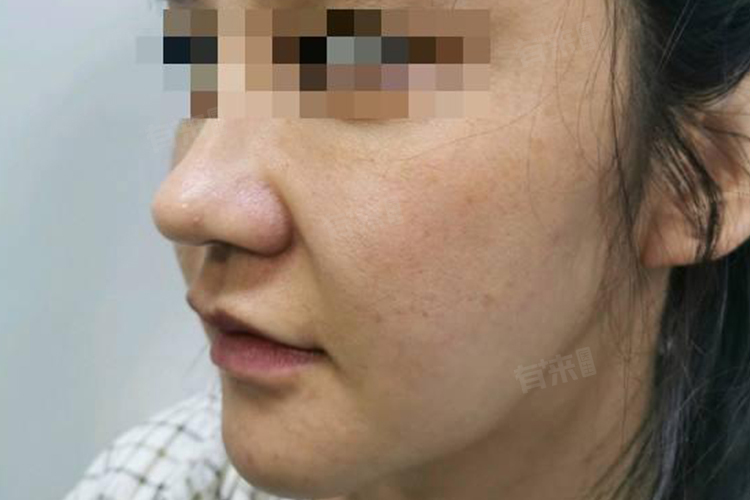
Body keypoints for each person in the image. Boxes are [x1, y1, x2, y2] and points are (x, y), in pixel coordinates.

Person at [63, 0, 750, 499]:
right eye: (201, 58)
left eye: (361, 60)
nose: (185, 199)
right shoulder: (147, 480)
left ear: (708, 172)